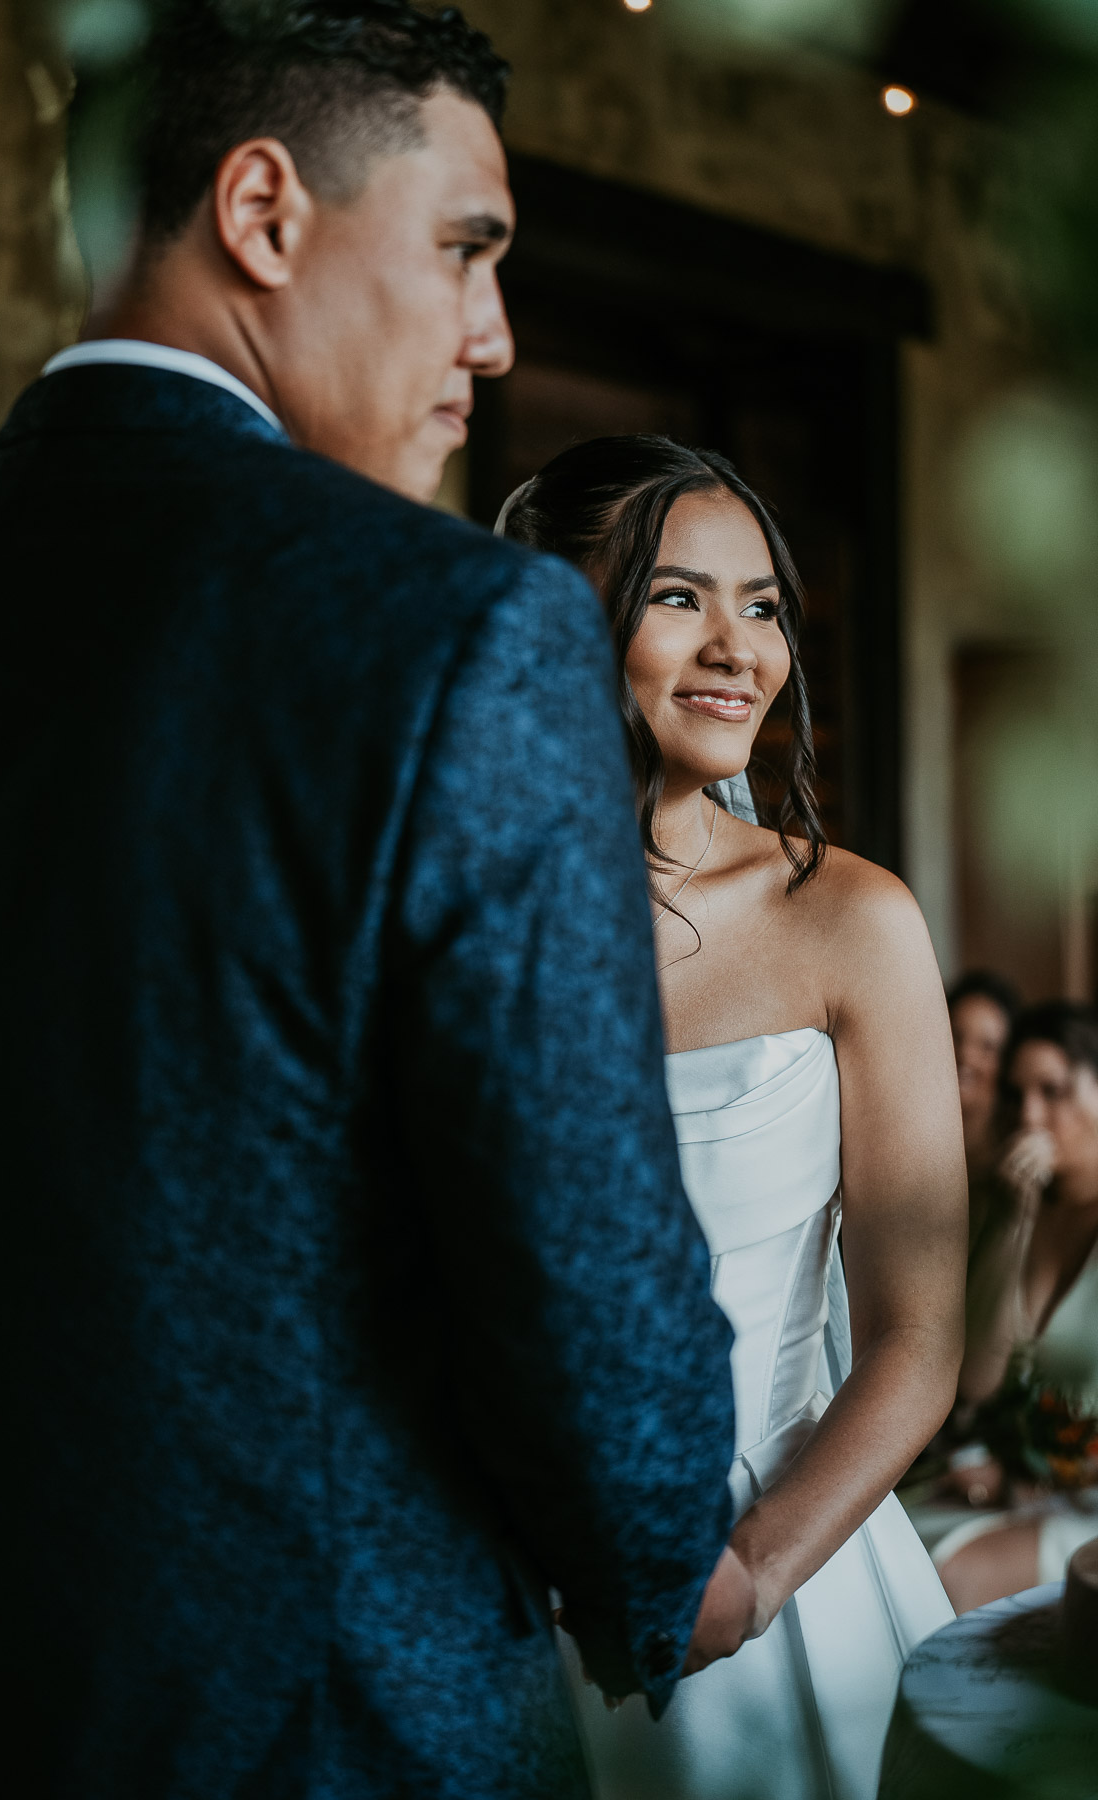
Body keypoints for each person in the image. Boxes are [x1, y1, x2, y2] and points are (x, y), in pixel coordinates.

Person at [0, 9, 737, 1798]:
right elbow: (579, 1257)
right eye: (465, 250)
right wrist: (668, 1571)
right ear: (263, 214)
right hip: (330, 1722)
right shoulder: (456, 635)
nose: (494, 342)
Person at [499, 435, 967, 1800]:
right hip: (506, 1594)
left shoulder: (851, 923)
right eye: (676, 595)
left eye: (761, 604)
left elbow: (918, 1336)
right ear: (552, 613)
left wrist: (750, 1574)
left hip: (783, 1576)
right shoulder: (465, 915)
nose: (737, 648)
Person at [930, 1001, 1098, 1612]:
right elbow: (976, 1381)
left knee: (948, 1578)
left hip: (1084, 1508)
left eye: (1053, 1091)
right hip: (1029, 1493)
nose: (1031, 1115)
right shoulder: (1016, 1209)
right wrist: (1014, 1221)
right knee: (894, 1554)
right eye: (1018, 1094)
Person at [946, 969, 1021, 1246]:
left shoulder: (1016, 1163)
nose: (966, 1055)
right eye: (955, 1036)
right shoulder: (902, 1145)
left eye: (987, 1046)